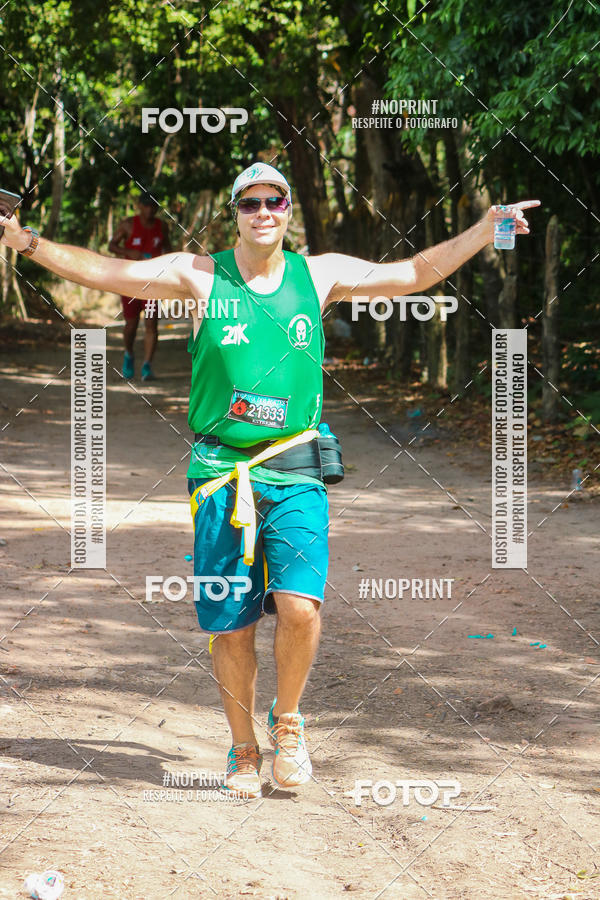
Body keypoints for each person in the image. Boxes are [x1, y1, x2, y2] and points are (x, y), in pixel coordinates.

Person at [0, 163, 539, 799]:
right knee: (229, 627)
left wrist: (483, 228)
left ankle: (288, 725)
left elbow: (415, 273)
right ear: (235, 211)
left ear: (288, 210)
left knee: (300, 605)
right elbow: (104, 271)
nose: (264, 211)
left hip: (295, 464)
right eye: (251, 202)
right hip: (220, 473)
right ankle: (241, 748)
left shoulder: (320, 274)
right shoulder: (198, 276)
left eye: (275, 201)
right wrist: (24, 241)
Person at [108, 191, 171, 381]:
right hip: (130, 283)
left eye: (153, 206)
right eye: (146, 205)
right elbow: (111, 245)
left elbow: (168, 248)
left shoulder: (162, 227)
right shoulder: (128, 225)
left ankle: (147, 366)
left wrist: (171, 263)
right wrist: (129, 251)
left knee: (152, 323)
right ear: (139, 206)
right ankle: (129, 354)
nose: (150, 209)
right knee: (131, 324)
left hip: (153, 284)